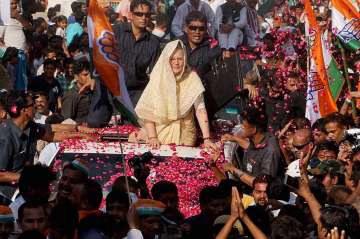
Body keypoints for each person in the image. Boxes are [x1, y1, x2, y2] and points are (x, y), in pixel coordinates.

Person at [132, 40, 216, 149]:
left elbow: (200, 110)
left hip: (186, 136)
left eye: (180, 59)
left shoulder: (192, 78)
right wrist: (153, 137)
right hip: (159, 135)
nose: (176, 63)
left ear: (185, 59)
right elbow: (148, 112)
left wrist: (206, 139)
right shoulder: (158, 79)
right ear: (167, 60)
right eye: (172, 59)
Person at [113, 0, 161, 105]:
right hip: (111, 89)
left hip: (137, 93)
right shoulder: (116, 31)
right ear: (131, 15)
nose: (144, 18)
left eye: (147, 15)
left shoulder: (153, 42)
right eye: (139, 14)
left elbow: (156, 73)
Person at [222, 108, 283, 187]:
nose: (241, 128)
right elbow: (253, 148)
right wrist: (234, 138)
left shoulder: (271, 151)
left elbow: (262, 184)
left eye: (244, 126)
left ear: (254, 129)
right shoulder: (258, 138)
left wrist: (233, 169)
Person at [179, 11, 221, 83]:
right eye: (193, 28)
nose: (197, 32)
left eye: (201, 28)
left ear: (206, 29)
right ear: (186, 28)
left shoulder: (212, 46)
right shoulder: (177, 44)